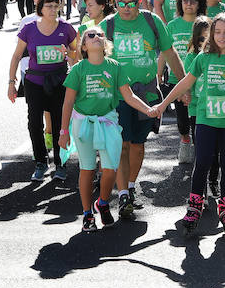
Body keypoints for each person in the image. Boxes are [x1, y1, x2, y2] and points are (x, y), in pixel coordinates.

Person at [60, 28, 163, 231]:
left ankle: (103, 203)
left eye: (100, 35)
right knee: (87, 169)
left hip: (108, 122)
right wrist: (64, 132)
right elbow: (68, 102)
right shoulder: (79, 70)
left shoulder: (115, 67)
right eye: (90, 35)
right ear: (84, 46)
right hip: (84, 124)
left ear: (106, 44)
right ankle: (87, 214)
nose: (96, 37)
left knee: (110, 169)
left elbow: (129, 96)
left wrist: (149, 109)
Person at [158, 13, 225, 237]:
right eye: (217, 32)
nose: (221, 36)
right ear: (211, 34)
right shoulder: (203, 57)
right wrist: (163, 104)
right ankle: (195, 205)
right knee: (202, 162)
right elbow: (185, 82)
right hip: (206, 120)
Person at [105, 0, 184, 217]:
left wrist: (182, 86)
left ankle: (130, 186)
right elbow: (90, 55)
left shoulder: (152, 21)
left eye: (131, 3)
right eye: (121, 3)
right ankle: (123, 196)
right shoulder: (108, 25)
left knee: (138, 144)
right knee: (122, 145)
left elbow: (170, 52)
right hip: (117, 95)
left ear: (139, 2)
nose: (126, 8)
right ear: (116, 2)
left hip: (147, 93)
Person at [9, 0, 78, 181]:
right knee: (34, 123)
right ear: (40, 8)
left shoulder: (66, 28)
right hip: (35, 81)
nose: (53, 9)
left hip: (59, 81)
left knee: (59, 123)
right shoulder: (29, 29)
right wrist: (11, 82)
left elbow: (78, 54)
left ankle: (60, 163)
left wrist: (69, 54)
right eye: (49, 6)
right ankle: (40, 162)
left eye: (56, 6)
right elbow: (16, 56)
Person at [165, 0, 208, 163]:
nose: (189, 4)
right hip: (177, 78)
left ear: (200, 4)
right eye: (185, 0)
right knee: (182, 120)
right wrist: (159, 71)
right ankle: (185, 139)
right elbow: (165, 51)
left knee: (198, 119)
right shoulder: (172, 25)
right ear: (180, 3)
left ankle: (201, 152)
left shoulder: (205, 24)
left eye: (193, 1)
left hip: (201, 81)